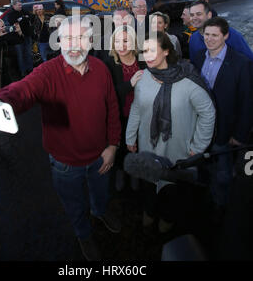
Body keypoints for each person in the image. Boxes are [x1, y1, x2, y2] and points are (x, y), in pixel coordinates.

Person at [0, 15, 121, 261]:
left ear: (90, 41)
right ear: (59, 41)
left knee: (101, 194)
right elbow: (23, 90)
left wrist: (113, 145)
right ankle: (83, 234)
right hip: (65, 164)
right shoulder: (47, 72)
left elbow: (112, 109)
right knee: (75, 206)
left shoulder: (101, 69)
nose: (74, 44)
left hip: (100, 156)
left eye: (81, 37)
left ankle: (100, 211)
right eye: (67, 38)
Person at [126, 31, 215, 233]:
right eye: (144, 51)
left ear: (166, 51)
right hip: (148, 146)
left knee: (173, 190)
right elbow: (137, 108)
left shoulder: (188, 79)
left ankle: (167, 218)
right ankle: (149, 212)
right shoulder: (144, 76)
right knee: (149, 184)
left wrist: (199, 146)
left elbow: (208, 113)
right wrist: (130, 136)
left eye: (152, 50)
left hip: (178, 149)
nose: (147, 56)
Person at [192, 16, 253, 211]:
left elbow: (247, 102)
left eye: (214, 35)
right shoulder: (200, 56)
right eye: (206, 35)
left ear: (225, 36)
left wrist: (240, 135)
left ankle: (221, 206)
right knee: (203, 165)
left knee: (223, 172)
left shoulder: (241, 63)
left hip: (226, 132)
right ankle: (204, 197)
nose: (209, 39)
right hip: (202, 129)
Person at [106, 25, 145, 191]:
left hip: (142, 116)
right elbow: (108, 95)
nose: (121, 45)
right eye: (117, 41)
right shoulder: (109, 64)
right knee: (122, 148)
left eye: (125, 41)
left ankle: (136, 175)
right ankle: (122, 174)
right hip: (121, 116)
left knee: (139, 147)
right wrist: (130, 84)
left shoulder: (143, 60)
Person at [189, 0, 253, 63]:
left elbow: (249, 61)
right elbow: (194, 64)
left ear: (209, 15)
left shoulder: (230, 34)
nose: (194, 18)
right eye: (192, 15)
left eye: (198, 14)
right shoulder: (193, 38)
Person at [4, 0, 34, 78]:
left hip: (27, 35)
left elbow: (31, 16)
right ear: (14, 6)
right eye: (19, 5)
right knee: (20, 55)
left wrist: (21, 19)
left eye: (21, 5)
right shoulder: (10, 14)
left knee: (29, 53)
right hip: (17, 38)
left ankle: (30, 69)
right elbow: (13, 23)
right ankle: (23, 72)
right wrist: (23, 18)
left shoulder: (24, 10)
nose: (21, 6)